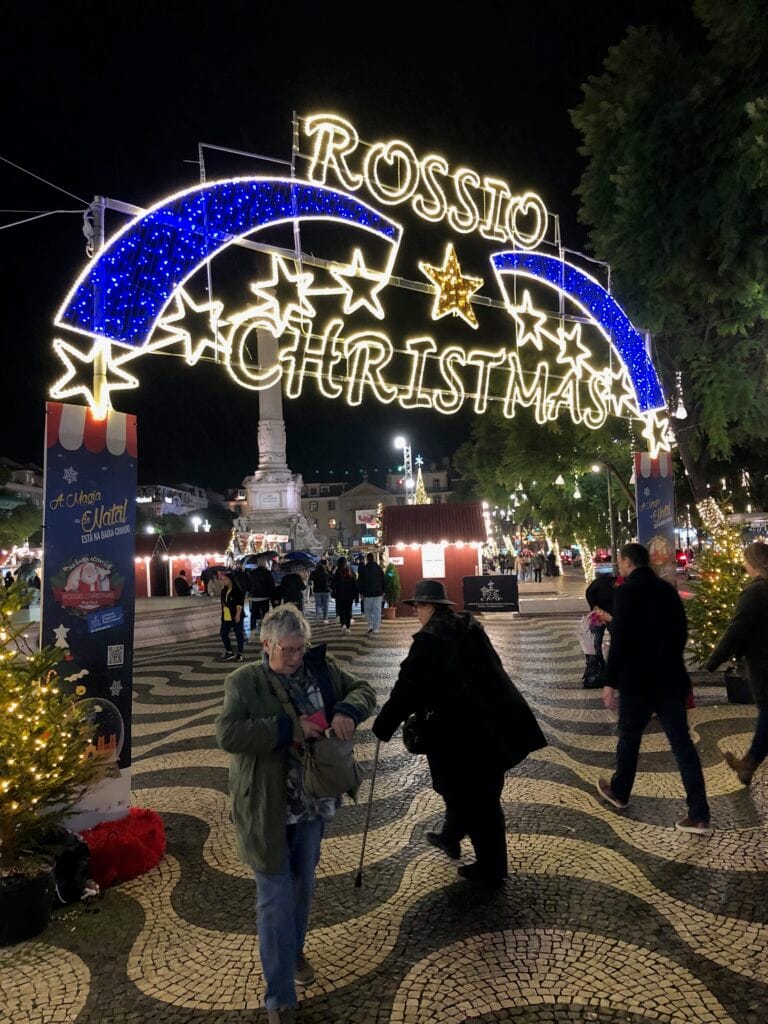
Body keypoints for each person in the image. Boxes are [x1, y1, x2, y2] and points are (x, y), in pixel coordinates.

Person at [214, 604, 375, 1024]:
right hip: (266, 806)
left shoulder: (322, 669)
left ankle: (295, 948)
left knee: (302, 886)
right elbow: (228, 733)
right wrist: (289, 730)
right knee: (273, 897)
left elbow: (364, 689)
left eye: (300, 649)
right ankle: (279, 996)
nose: (295, 657)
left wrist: (347, 711)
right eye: (287, 650)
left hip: (313, 804)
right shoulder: (244, 682)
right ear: (266, 644)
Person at [372, 579, 547, 884]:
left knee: (477, 798)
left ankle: (492, 868)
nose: (416, 613)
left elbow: (408, 688)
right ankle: (451, 835)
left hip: (465, 733)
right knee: (472, 790)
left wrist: (383, 724)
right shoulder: (469, 627)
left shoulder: (430, 640)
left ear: (429, 606)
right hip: (496, 722)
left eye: (418, 607)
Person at [595, 542, 711, 834]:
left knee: (629, 739)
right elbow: (681, 631)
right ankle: (699, 813)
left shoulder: (626, 593)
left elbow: (621, 640)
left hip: (638, 683)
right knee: (682, 745)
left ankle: (620, 792)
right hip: (670, 678)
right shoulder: (667, 590)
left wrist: (610, 681)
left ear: (626, 562)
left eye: (620, 562)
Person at [705, 540, 768, 786]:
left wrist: (713, 661)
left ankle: (749, 763)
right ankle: (748, 763)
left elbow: (736, 630)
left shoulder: (755, 591)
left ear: (751, 563)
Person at [218, 570, 246, 662]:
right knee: (223, 633)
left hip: (235, 614)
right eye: (223, 579)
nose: (224, 581)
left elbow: (239, 603)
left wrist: (238, 614)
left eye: (225, 579)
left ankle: (239, 653)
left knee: (238, 634)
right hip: (226, 615)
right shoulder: (224, 590)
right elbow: (223, 602)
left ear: (230, 579)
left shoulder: (237, 590)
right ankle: (229, 651)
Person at [358, 553, 385, 634]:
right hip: (378, 593)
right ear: (374, 558)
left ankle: (370, 625)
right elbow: (383, 580)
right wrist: (383, 591)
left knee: (368, 610)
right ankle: (376, 628)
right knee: (377, 610)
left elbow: (360, 581)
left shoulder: (364, 569)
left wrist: (361, 592)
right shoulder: (379, 568)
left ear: (367, 559)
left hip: (367, 593)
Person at [331, 557, 358, 633]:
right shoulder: (350, 572)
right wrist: (356, 597)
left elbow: (332, 585)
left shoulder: (337, 572)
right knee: (348, 611)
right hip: (349, 596)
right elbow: (355, 585)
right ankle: (348, 627)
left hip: (340, 596)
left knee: (342, 611)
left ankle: (343, 625)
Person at [249, 558, 277, 623]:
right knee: (265, 613)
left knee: (254, 614)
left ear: (258, 564)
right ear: (265, 564)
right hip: (265, 597)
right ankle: (265, 627)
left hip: (254, 596)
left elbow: (249, 584)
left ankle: (253, 627)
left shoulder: (252, 573)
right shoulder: (268, 573)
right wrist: (273, 596)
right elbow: (271, 585)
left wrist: (250, 592)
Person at [309, 559, 331, 623]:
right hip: (326, 590)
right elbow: (331, 577)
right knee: (325, 604)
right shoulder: (327, 572)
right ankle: (325, 617)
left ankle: (317, 616)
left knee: (318, 604)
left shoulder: (315, 572)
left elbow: (311, 578)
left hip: (317, 591)